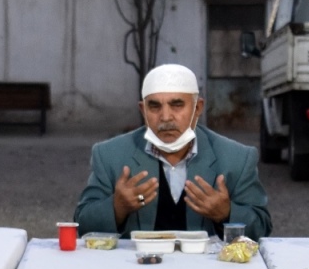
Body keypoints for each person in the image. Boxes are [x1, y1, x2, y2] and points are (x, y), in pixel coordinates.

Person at [74, 63, 272, 239]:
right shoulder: (111, 155)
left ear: (197, 108)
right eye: (155, 106)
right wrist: (117, 208)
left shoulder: (236, 158)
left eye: (177, 105)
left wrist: (226, 213)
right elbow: (81, 225)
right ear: (143, 110)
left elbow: (262, 228)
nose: (166, 117)